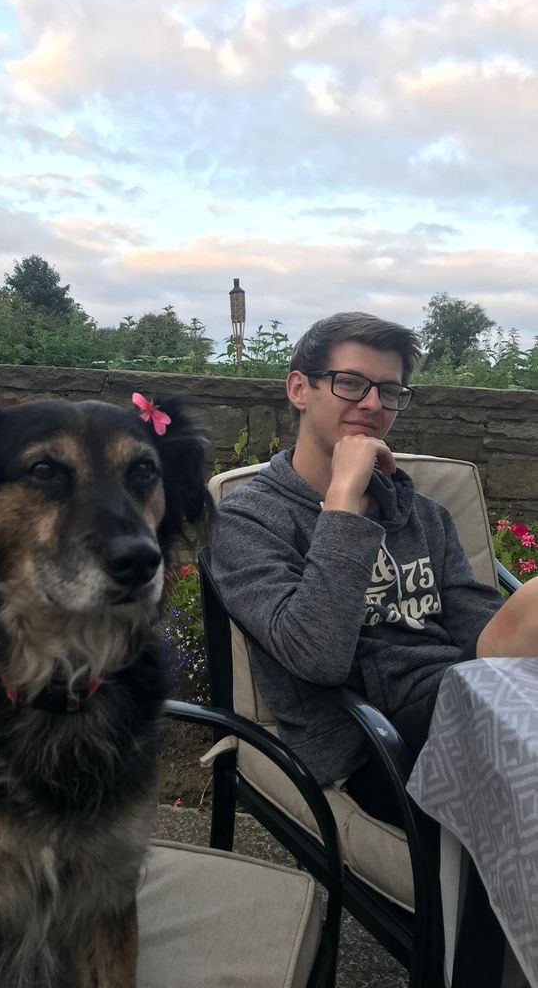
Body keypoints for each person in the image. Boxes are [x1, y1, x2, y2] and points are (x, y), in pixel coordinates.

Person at [211, 311, 538, 825]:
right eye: (351, 383)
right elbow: (316, 657)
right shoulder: (247, 519)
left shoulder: (424, 514)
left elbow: (476, 626)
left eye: (389, 390)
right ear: (300, 388)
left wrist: (514, 636)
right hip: (372, 740)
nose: (372, 404)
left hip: (458, 700)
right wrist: (342, 504)